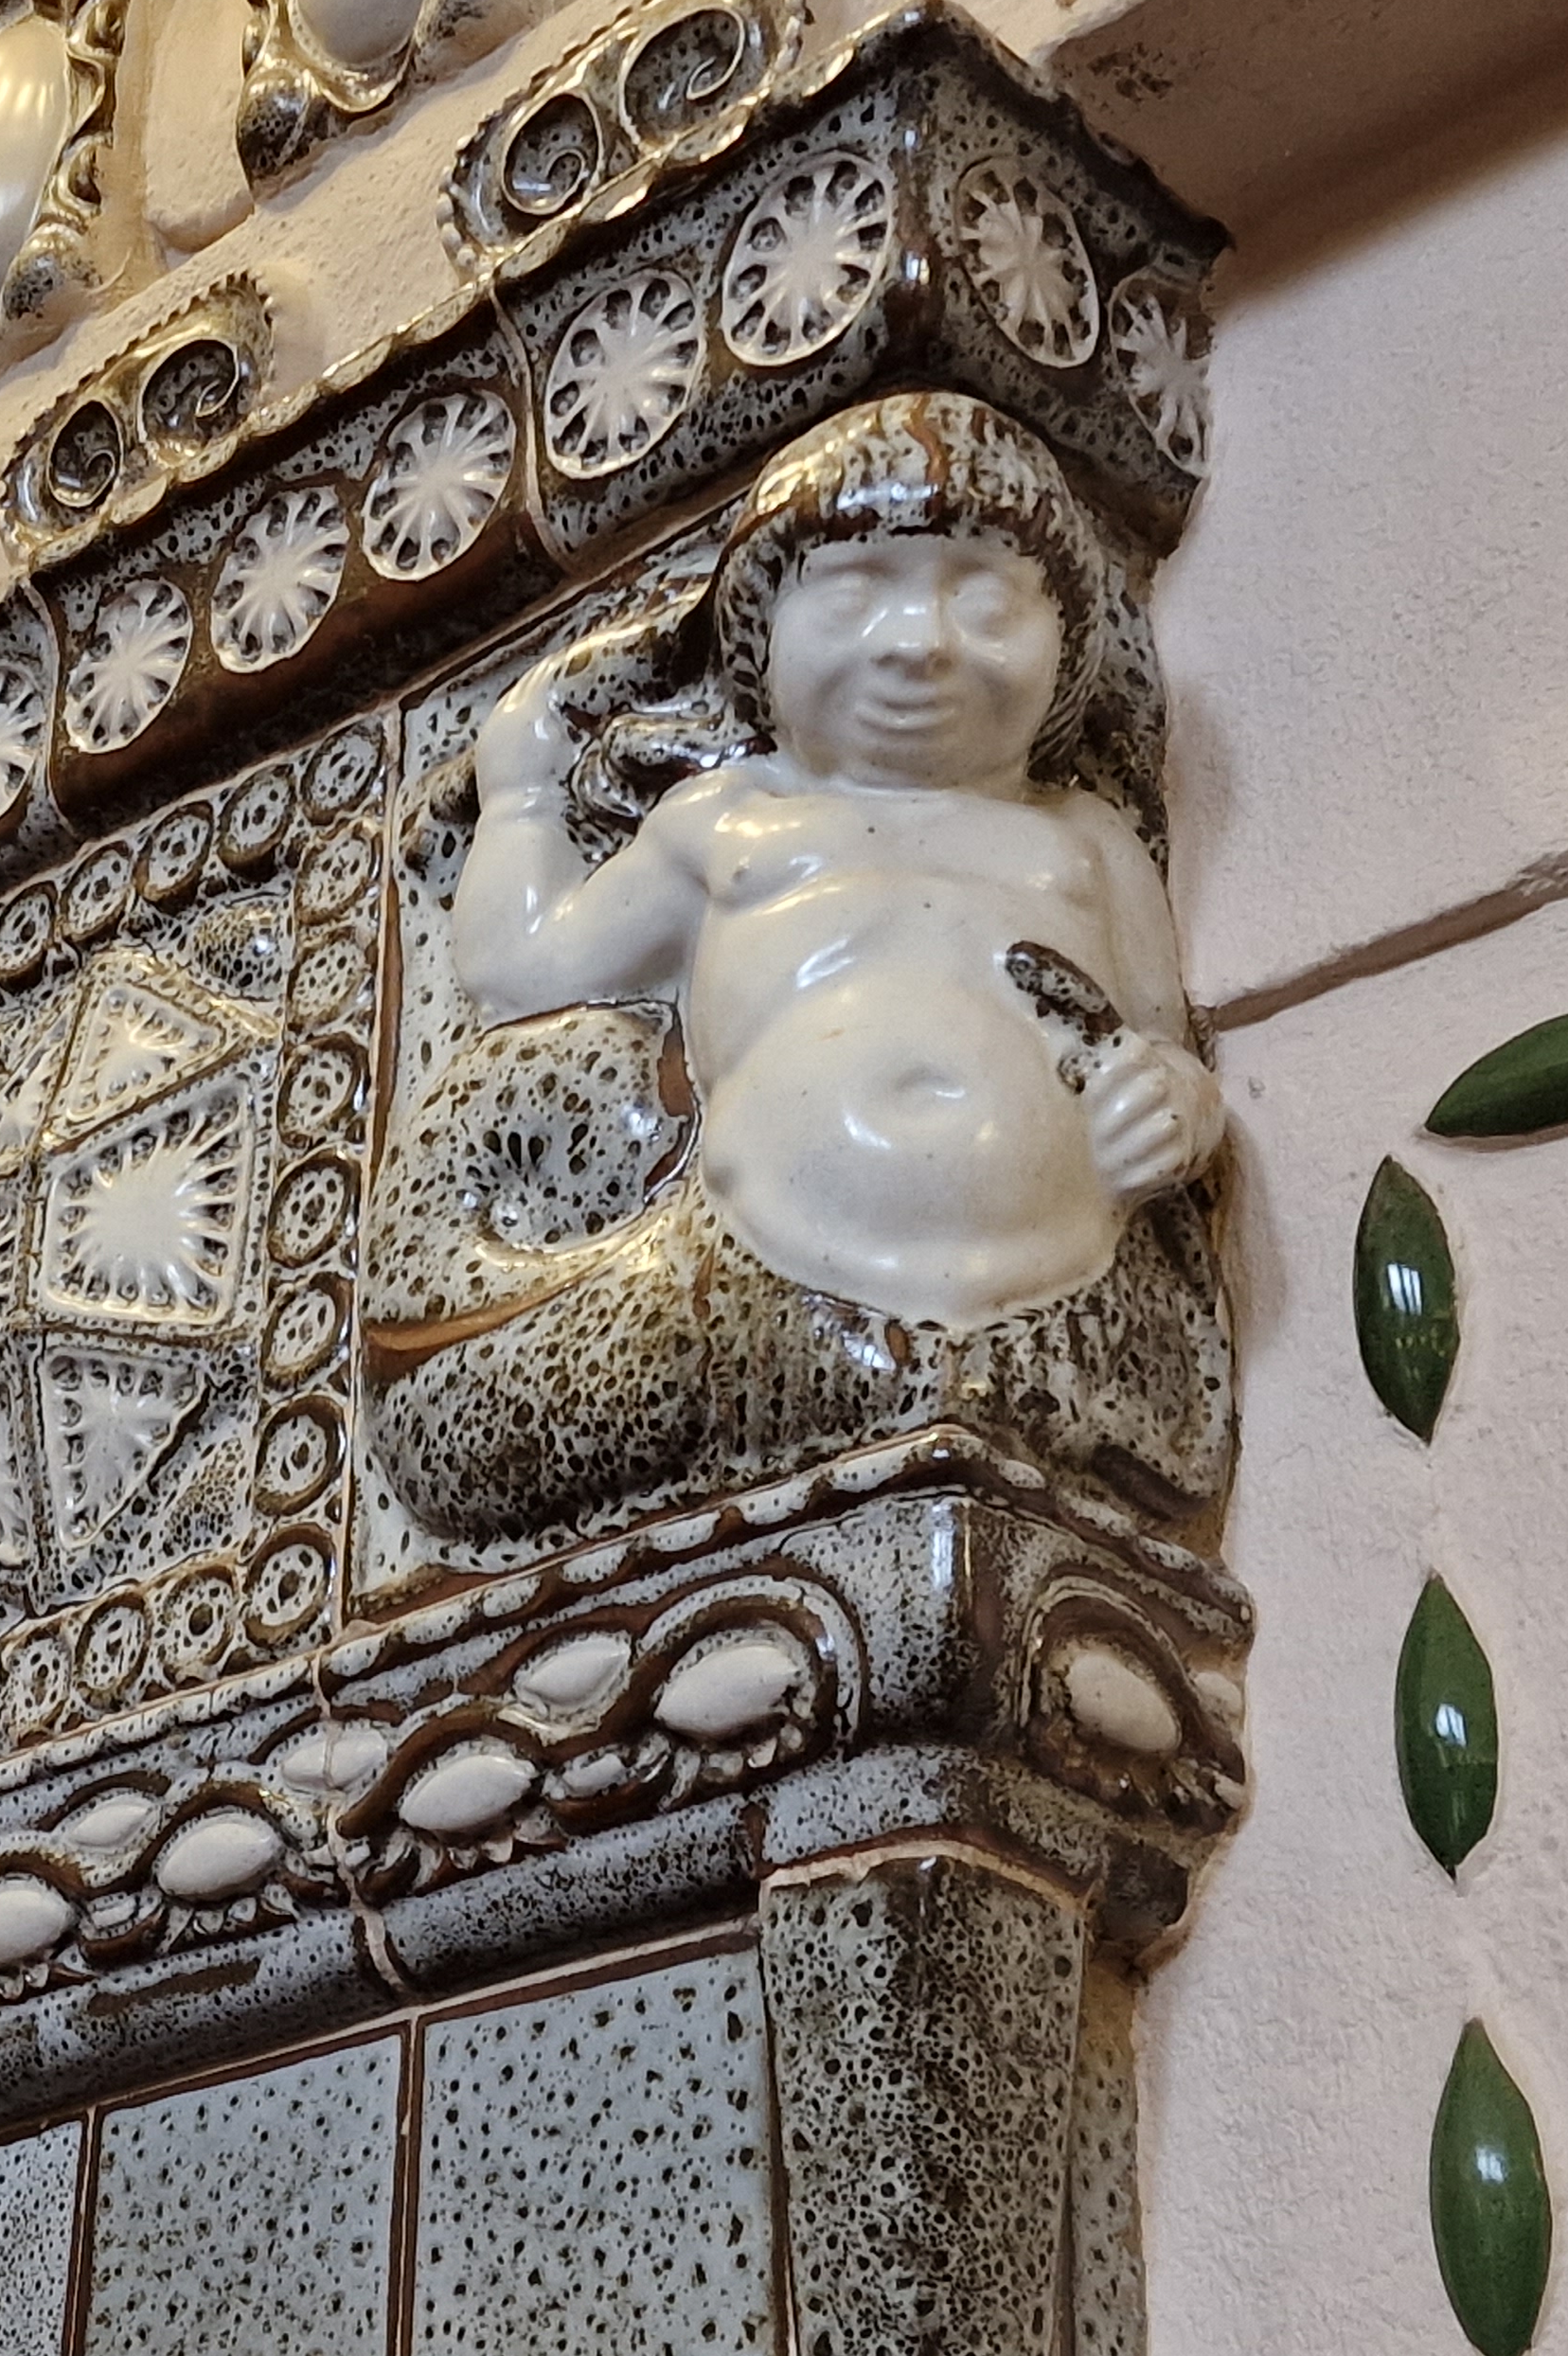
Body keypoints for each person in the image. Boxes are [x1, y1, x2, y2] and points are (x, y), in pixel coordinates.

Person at [364, 390, 1230, 1537]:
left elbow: (1164, 1049)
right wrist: (522, 788)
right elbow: (520, 969)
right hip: (752, 1269)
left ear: (1066, 639)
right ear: (760, 632)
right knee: (479, 1415)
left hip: (1059, 1286)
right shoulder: (727, 824)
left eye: (983, 600)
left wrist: (1172, 1110)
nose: (919, 644)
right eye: (855, 593)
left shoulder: (1084, 842)